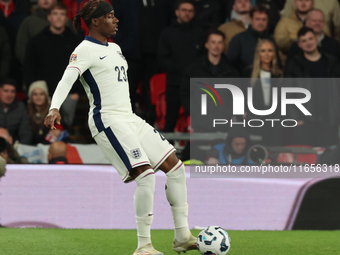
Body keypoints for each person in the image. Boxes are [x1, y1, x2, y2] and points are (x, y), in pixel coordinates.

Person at [43, 1, 197, 255]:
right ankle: (144, 246)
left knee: (176, 168)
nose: (116, 20)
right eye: (110, 16)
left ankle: (182, 236)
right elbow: (66, 79)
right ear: (95, 21)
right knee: (146, 176)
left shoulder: (115, 48)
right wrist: (54, 107)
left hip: (129, 117)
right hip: (108, 120)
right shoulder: (84, 50)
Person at [23, 2, 82, 129]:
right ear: (49, 17)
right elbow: (29, 68)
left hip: (69, 94)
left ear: (66, 18)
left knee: (64, 131)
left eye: (62, 14)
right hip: (44, 94)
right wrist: (34, 91)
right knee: (42, 131)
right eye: (55, 14)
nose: (59, 17)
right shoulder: (36, 41)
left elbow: (82, 68)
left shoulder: (76, 42)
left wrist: (76, 92)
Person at [284, 27, 340, 147]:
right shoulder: (294, 64)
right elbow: (287, 93)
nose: (308, 43)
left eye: (310, 38)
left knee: (329, 161)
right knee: (306, 162)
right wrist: (296, 119)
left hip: (330, 120)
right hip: (305, 123)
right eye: (304, 41)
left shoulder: (331, 61)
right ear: (299, 44)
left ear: (316, 39)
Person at [158, 0, 206, 132]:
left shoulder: (200, 34)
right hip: (174, 83)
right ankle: (166, 150)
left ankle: (194, 150)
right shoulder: (167, 33)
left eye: (190, 11)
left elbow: (204, 58)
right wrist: (178, 69)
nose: (187, 13)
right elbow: (162, 58)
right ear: (177, 12)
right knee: (170, 119)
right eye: (184, 10)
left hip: (195, 84)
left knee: (199, 119)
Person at [242, 40, 283, 146]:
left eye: (270, 50)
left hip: (274, 120)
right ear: (258, 54)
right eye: (263, 51)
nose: (267, 54)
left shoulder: (279, 75)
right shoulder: (248, 73)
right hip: (254, 118)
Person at [15, 0, 75, 65]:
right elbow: (20, 48)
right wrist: (31, 64)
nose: (46, 0)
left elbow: (74, 46)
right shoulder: (28, 22)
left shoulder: (66, 22)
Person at [226, 4, 281, 74]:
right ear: (251, 20)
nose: (261, 23)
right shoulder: (238, 39)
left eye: (264, 19)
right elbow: (230, 66)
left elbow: (277, 65)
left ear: (268, 21)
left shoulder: (271, 40)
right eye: (257, 19)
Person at [0, 79, 32, 144]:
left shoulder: (20, 107)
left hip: (13, 147)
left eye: (12, 91)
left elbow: (26, 133)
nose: (9, 94)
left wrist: (17, 149)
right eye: (6, 91)